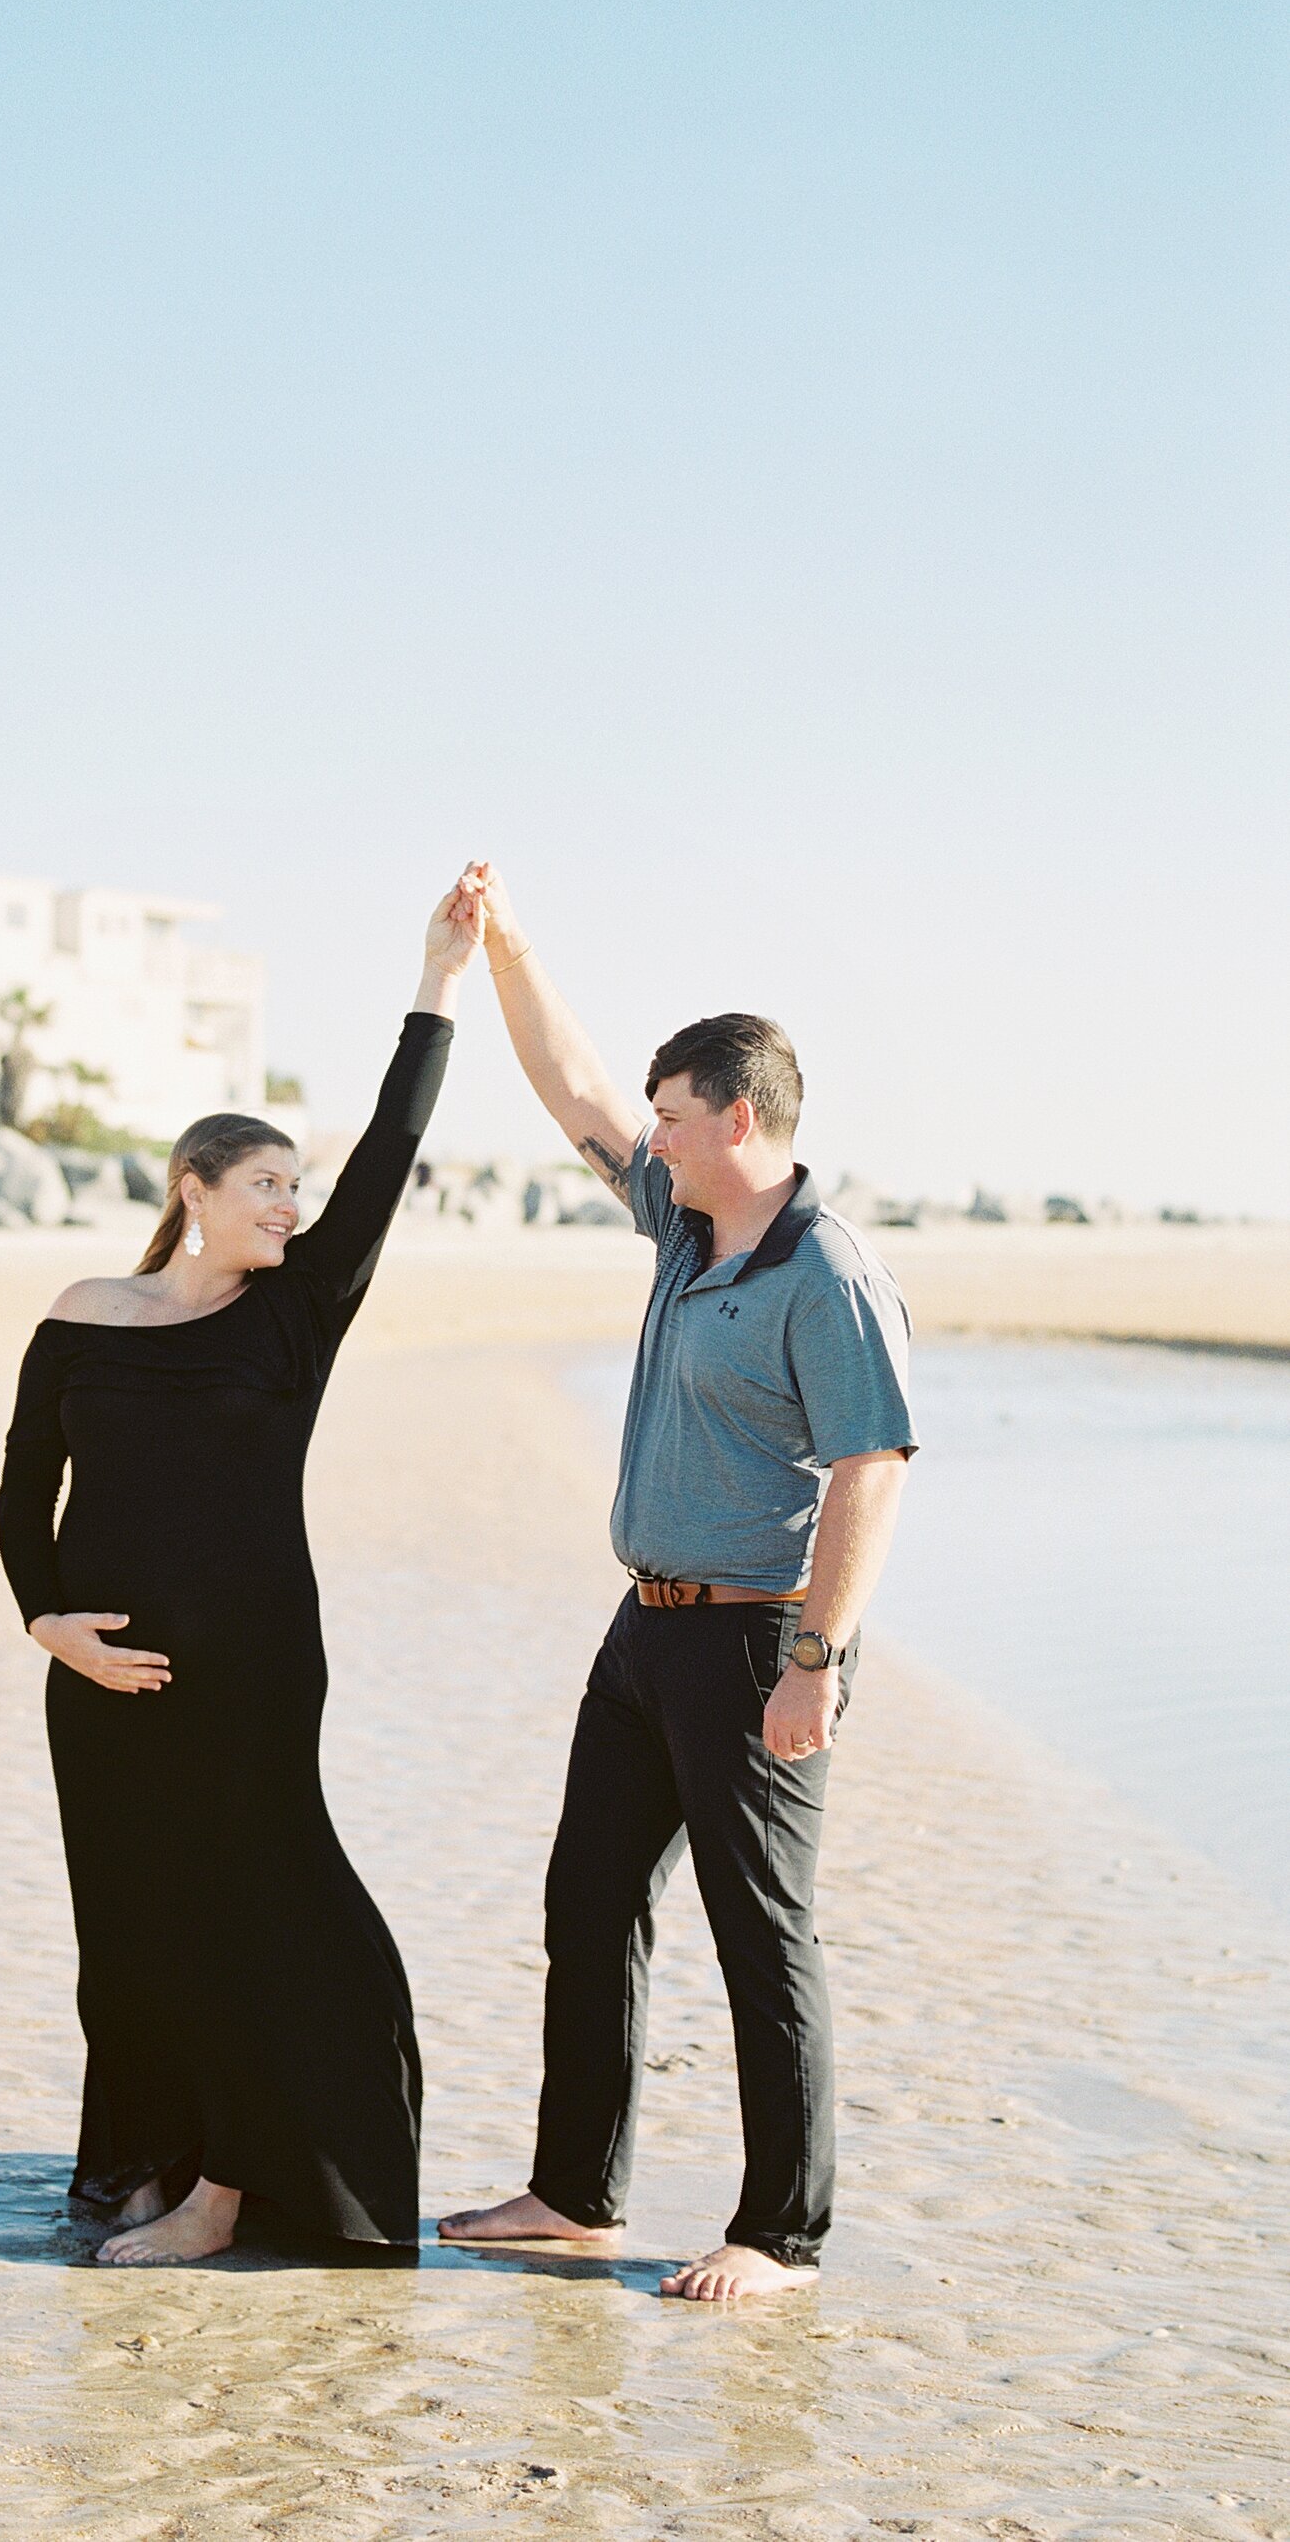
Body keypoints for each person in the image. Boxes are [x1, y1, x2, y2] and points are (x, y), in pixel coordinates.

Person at [440, 862, 916, 2300]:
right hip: (643, 1632)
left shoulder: (822, 1273)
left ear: (740, 1119)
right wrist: (508, 951)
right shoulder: (684, 1227)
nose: (645, 1135)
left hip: (759, 1641)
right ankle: (575, 2193)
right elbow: (571, 1085)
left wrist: (814, 1666)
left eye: (669, 1115)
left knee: (762, 1937)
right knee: (589, 1901)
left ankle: (783, 2236)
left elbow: (873, 1469)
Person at [0, 877, 481, 2267]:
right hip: (97, 1679)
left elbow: (390, 1146)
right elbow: (25, 1488)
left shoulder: (297, 1316)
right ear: (192, 1192)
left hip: (254, 1671)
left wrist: (434, 984)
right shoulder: (84, 1318)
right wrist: (48, 1622)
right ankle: (142, 2167)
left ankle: (227, 2191)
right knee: (130, 1929)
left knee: (266, 1913)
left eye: (292, 1186)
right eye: (262, 1184)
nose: (288, 1203)